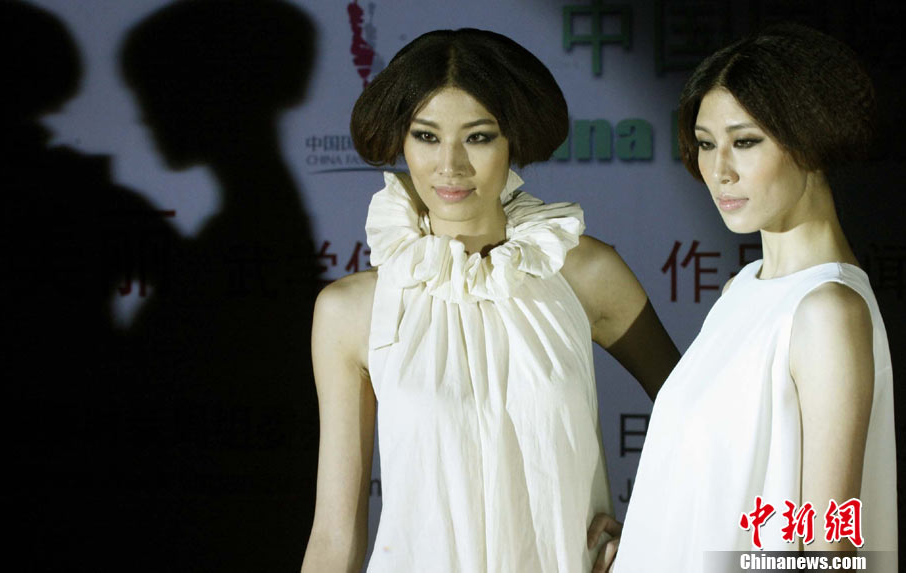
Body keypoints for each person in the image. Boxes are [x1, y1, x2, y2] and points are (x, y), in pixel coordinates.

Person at [301, 28, 679, 573]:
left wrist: (652, 532)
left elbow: (707, 423)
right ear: (402, 141)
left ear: (512, 141)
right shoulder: (350, 311)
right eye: (426, 136)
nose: (450, 165)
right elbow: (335, 536)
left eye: (478, 137)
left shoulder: (585, 273)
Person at [612, 23, 897, 572]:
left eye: (745, 142)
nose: (719, 171)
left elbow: (829, 547)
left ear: (811, 140)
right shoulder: (741, 291)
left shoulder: (827, 312)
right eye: (705, 144)